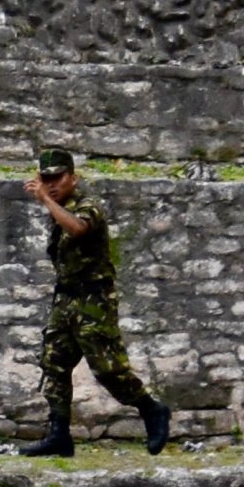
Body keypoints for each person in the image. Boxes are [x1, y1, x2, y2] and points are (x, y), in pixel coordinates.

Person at [19, 148, 169, 457]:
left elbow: (77, 228)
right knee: (54, 361)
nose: (51, 185)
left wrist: (45, 201)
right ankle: (59, 434)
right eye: (45, 179)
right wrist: (50, 203)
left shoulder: (89, 207)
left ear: (73, 178)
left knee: (107, 368)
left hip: (94, 300)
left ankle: (151, 410)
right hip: (67, 297)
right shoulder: (59, 208)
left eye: (57, 179)